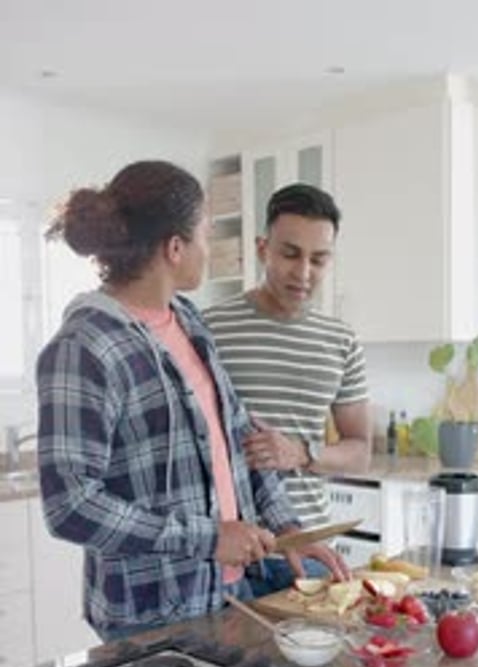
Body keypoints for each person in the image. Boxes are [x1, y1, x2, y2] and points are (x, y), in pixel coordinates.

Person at [36, 161, 349, 642]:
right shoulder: (85, 347)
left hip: (225, 591)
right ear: (175, 248)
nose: (209, 247)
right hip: (150, 611)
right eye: (205, 233)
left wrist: (290, 532)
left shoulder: (186, 320)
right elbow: (71, 505)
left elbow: (242, 435)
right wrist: (209, 537)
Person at [203, 183, 372, 596]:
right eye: (290, 254)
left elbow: (360, 452)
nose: (303, 273)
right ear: (263, 249)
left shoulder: (341, 340)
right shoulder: (208, 329)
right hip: (231, 557)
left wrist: (301, 452)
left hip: (311, 554)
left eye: (319, 258)